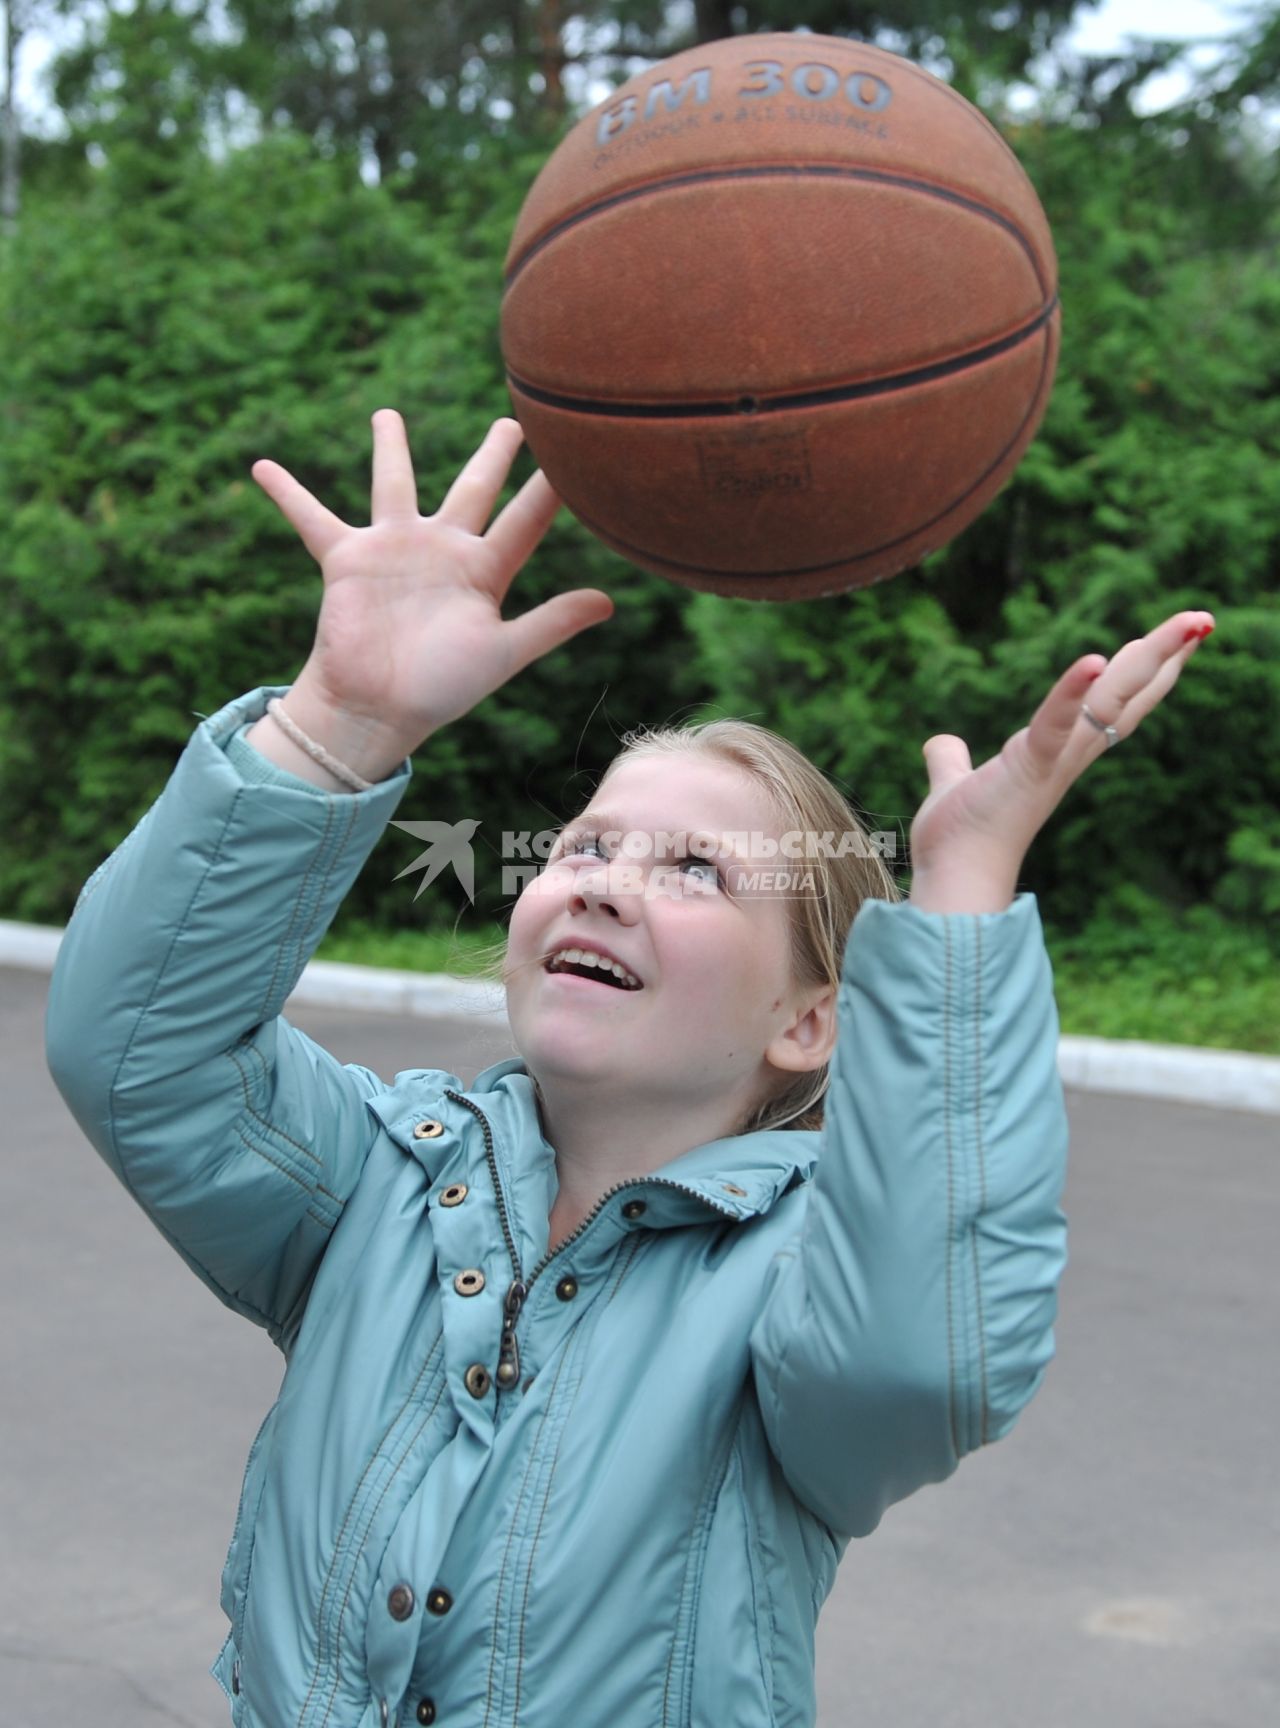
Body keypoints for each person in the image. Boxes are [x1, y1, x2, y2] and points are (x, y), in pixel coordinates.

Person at [44, 411, 1215, 1728]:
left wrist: (957, 898)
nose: (604, 888)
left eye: (697, 872)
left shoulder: (798, 1288)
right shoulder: (367, 1181)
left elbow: (923, 1360)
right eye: (588, 848)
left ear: (809, 1023)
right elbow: (137, 1051)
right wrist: (340, 720)